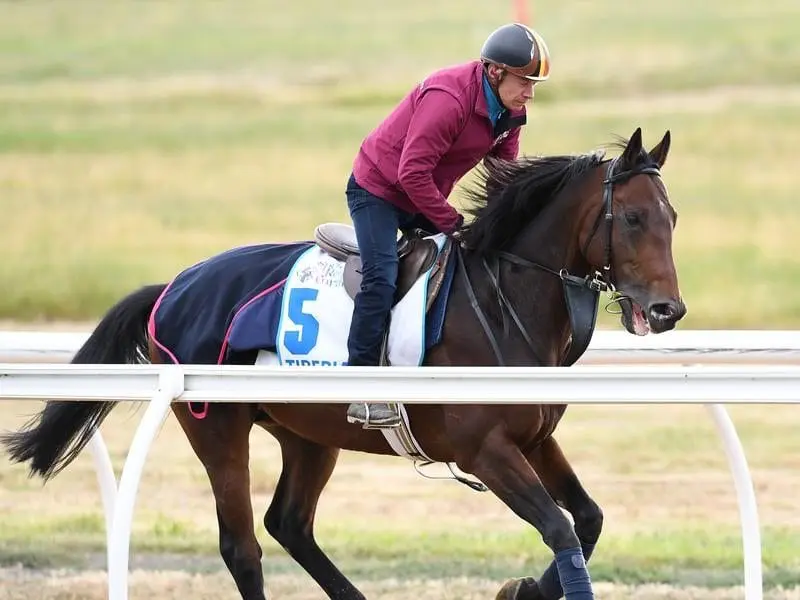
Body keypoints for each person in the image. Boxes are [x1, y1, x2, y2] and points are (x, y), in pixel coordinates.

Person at [344, 22, 552, 427]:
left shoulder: (511, 112)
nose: (529, 93)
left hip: (422, 192)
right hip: (378, 192)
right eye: (524, 81)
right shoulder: (449, 99)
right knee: (381, 278)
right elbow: (411, 174)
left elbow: (502, 177)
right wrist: (452, 221)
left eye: (534, 85)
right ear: (495, 72)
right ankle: (360, 387)